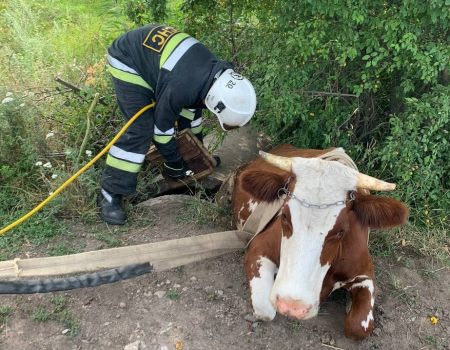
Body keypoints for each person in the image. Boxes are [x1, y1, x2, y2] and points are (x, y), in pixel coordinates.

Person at [98, 24, 257, 225]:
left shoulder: (213, 76)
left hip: (158, 62)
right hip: (128, 58)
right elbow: (161, 131)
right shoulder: (182, 86)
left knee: (185, 110)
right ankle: (110, 193)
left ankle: (119, 186)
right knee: (140, 129)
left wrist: (199, 155)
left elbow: (192, 112)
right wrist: (174, 165)